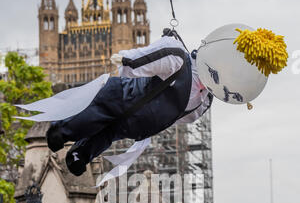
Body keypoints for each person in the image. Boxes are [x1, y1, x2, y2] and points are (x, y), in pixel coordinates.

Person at [38, 29, 212, 177]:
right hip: (131, 108)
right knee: (100, 120)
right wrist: (127, 60)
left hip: (132, 113)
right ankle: (69, 140)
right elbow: (155, 57)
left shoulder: (200, 94)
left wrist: (126, 60)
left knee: (104, 126)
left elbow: (179, 116)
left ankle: (72, 145)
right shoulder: (185, 68)